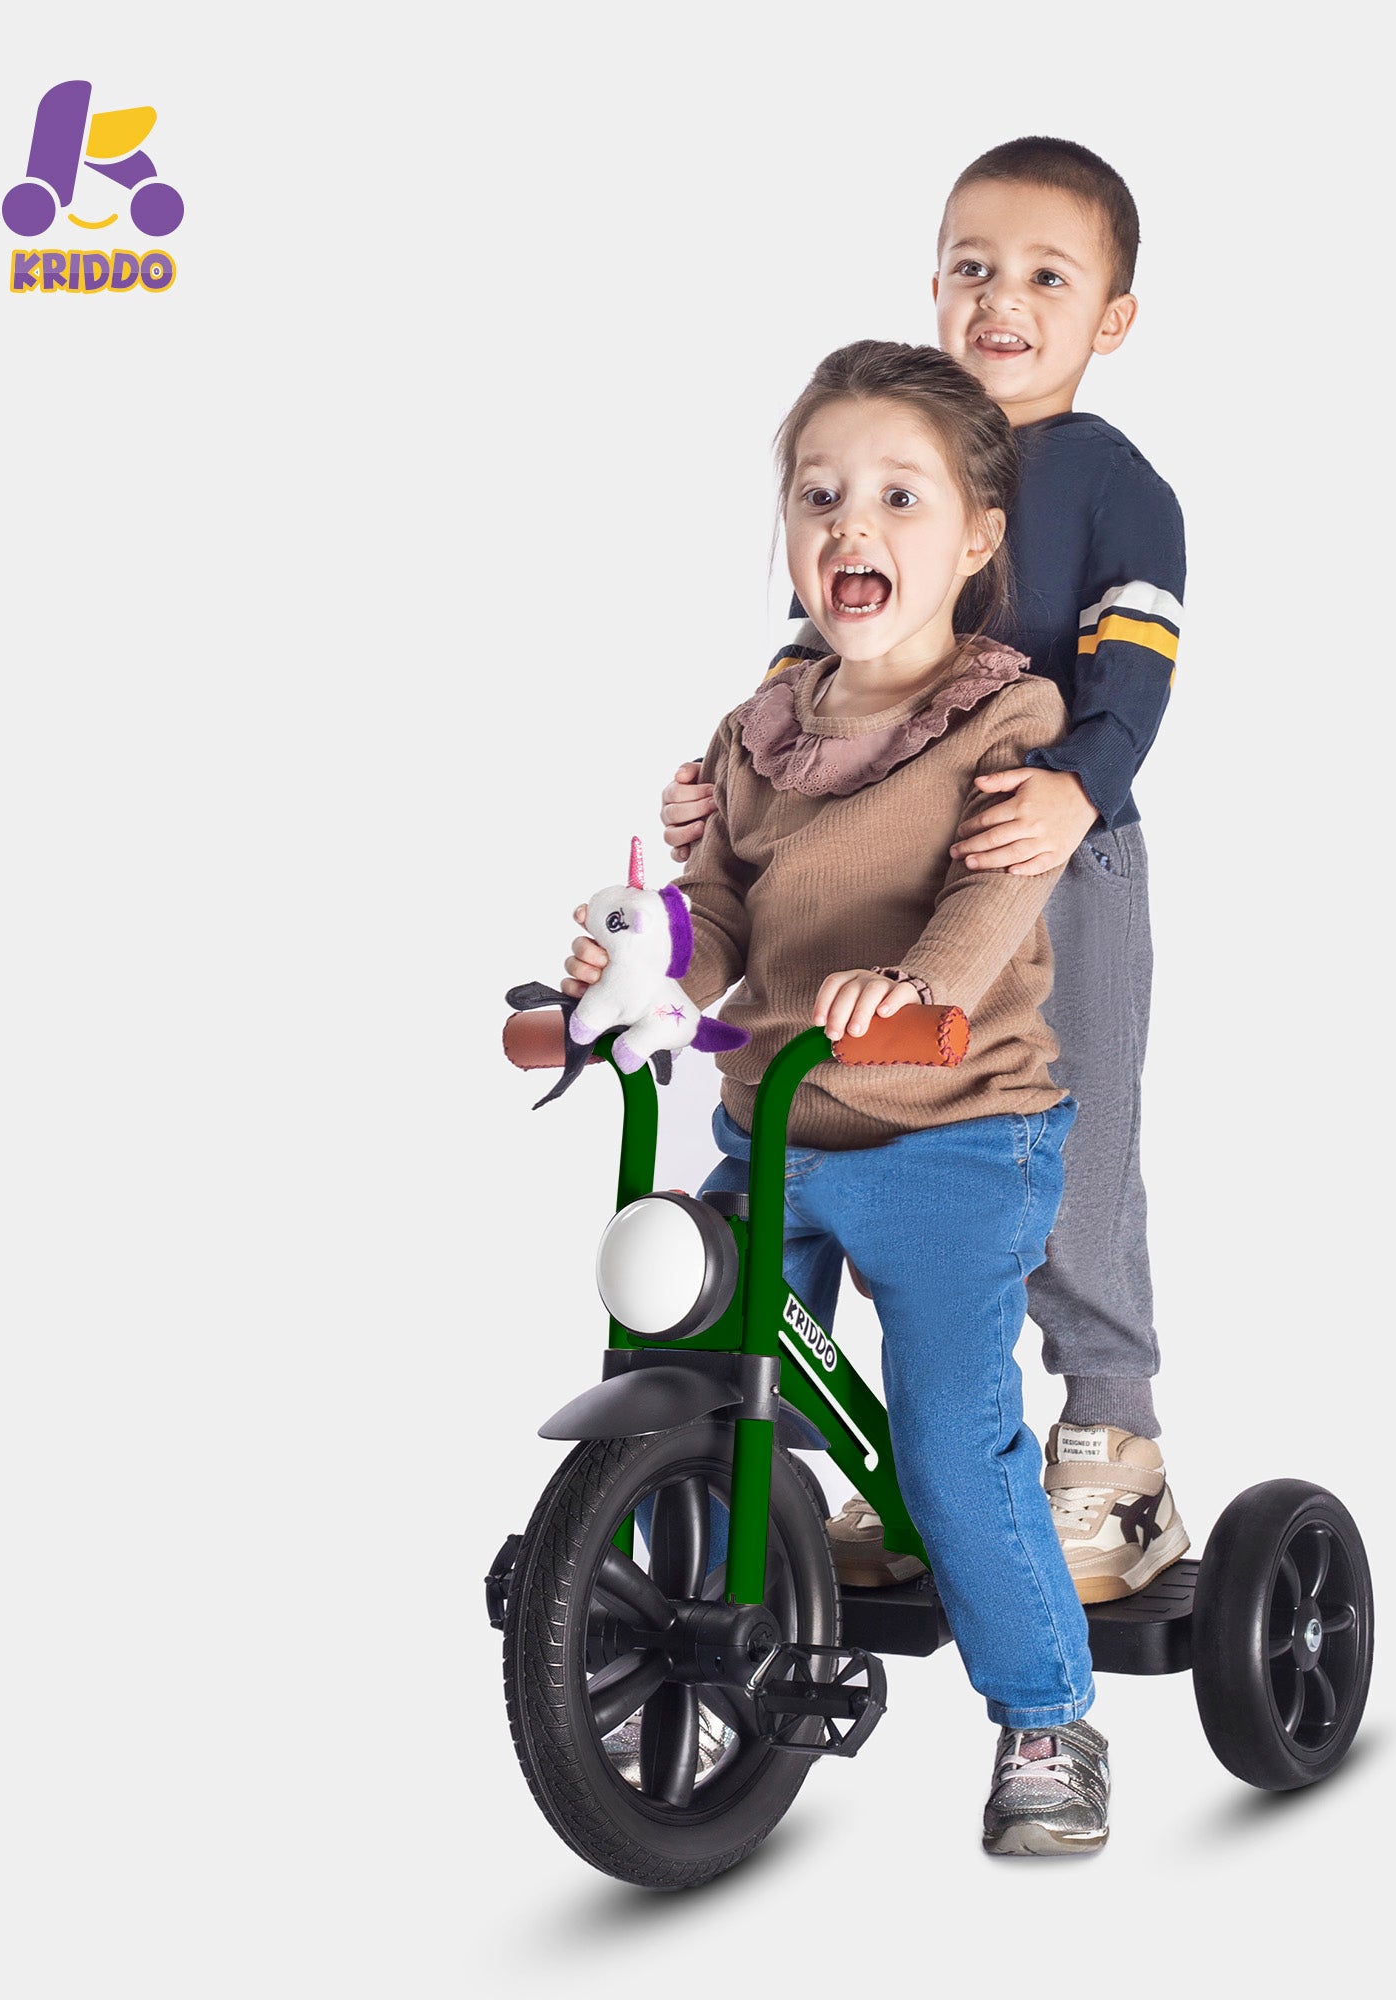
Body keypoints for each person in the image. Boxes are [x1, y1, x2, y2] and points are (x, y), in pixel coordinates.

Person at [563, 341, 1111, 1854]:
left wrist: (916, 987)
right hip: (779, 1124)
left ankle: (1049, 1718)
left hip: (957, 1130)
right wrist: (639, 967)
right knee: (694, 1362)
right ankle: (692, 1643)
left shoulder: (1006, 719)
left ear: (979, 537)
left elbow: (995, 895)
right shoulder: (764, 729)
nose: (849, 525)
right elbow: (719, 908)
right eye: (819, 496)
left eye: (898, 497)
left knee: (946, 1439)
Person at [655, 138, 1189, 1607]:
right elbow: (812, 668)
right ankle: (920, 1476)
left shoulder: (1111, 482)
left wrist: (1078, 788)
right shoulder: (898, 466)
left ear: (1112, 318)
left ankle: (1114, 1445)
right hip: (881, 867)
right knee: (860, 1140)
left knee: (1063, 1150)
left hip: (1051, 851)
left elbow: (1138, 668)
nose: (1002, 299)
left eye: (1047, 277)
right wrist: (724, 787)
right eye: (972, 267)